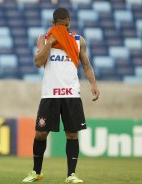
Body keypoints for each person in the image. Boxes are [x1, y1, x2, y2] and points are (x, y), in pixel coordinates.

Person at [22, 8, 100, 183]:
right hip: (50, 95)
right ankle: (36, 172)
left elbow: (86, 65)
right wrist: (50, 43)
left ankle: (71, 174)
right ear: (54, 24)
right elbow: (38, 62)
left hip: (71, 94)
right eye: (60, 26)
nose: (64, 28)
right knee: (41, 133)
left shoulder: (79, 40)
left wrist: (93, 84)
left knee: (72, 134)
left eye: (66, 25)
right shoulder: (44, 38)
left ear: (70, 22)